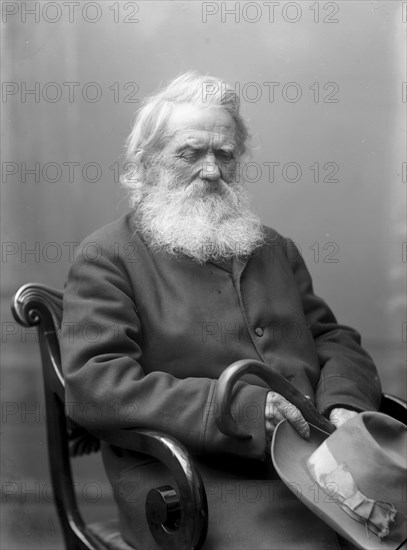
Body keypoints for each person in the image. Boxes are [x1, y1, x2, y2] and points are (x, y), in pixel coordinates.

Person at [60, 71, 382, 550]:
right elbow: (97, 387)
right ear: (146, 164)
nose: (211, 170)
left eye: (224, 154)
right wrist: (243, 411)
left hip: (325, 464)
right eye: (190, 153)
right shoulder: (108, 255)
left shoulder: (273, 247)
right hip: (197, 484)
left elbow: (332, 339)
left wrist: (343, 403)